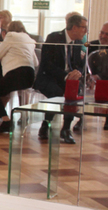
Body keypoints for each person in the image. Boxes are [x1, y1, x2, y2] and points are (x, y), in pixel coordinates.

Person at [33, 14, 88, 144]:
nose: (86, 31)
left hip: (67, 79)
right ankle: (45, 126)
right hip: (49, 77)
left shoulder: (78, 42)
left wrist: (78, 72)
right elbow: (47, 64)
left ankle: (66, 129)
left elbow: (81, 64)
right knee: (57, 93)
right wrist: (65, 75)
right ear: (74, 27)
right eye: (83, 27)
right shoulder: (54, 38)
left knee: (74, 91)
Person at [0, 22, 39, 133]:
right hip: (29, 75)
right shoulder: (29, 40)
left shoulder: (11, 36)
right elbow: (36, 62)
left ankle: (5, 121)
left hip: (16, 73)